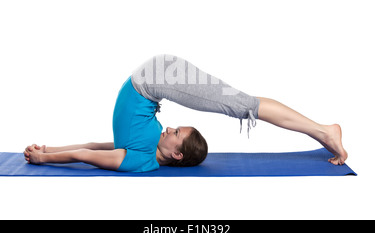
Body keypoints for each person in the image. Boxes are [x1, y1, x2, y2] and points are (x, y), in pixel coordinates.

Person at [24, 54, 348, 172]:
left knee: (242, 104)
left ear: (177, 155)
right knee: (241, 104)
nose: (169, 129)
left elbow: (91, 151)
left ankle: (323, 130)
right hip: (158, 77)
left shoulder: (138, 158)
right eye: (176, 129)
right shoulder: (146, 149)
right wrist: (44, 157)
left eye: (175, 133)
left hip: (158, 76)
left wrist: (46, 153)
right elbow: (91, 152)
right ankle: (323, 130)